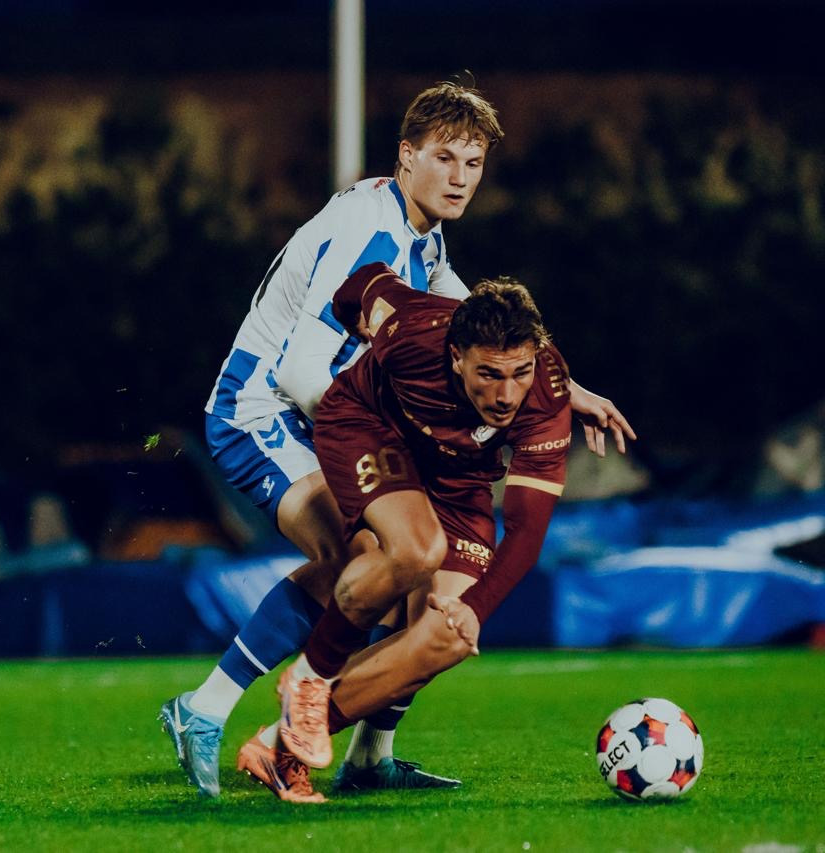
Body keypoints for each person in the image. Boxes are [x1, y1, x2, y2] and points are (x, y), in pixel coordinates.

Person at [160, 80, 633, 800]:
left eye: (473, 163)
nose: (460, 177)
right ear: (406, 156)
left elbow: (472, 315)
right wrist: (392, 454)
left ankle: (369, 756)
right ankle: (206, 707)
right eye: (444, 158)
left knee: (417, 578)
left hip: (319, 412)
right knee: (365, 559)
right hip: (262, 411)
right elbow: (300, 371)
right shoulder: (368, 231)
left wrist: (569, 386)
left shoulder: (419, 229)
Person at [246, 263, 578, 801]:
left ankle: (281, 745)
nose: (506, 394)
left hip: (461, 480)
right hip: (365, 427)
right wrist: (349, 317)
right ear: (456, 356)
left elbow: (525, 527)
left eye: (519, 372)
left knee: (444, 636)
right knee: (417, 549)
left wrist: (476, 610)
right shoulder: (414, 331)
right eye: (489, 374)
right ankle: (311, 674)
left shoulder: (546, 392)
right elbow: (366, 281)